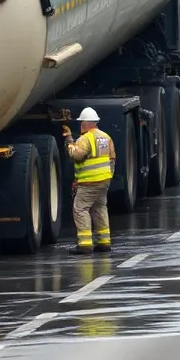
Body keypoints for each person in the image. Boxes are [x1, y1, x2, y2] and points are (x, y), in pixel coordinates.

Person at [63, 107, 115, 254]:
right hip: (104, 180)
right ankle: (104, 242)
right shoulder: (106, 137)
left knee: (80, 209)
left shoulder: (85, 139)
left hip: (89, 182)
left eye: (81, 123)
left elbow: (76, 155)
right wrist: (108, 176)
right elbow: (112, 158)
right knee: (100, 208)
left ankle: (85, 244)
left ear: (86, 124)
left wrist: (69, 141)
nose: (80, 126)